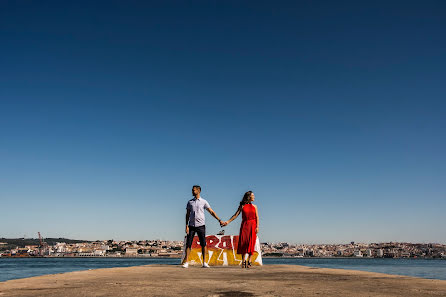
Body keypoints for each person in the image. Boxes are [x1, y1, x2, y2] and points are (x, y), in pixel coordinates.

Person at [182, 185, 224, 268]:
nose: (192, 191)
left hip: (201, 225)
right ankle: (186, 262)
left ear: (199, 191)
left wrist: (219, 220)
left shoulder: (204, 201)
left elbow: (211, 211)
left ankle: (204, 262)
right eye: (192, 190)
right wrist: (186, 225)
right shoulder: (190, 202)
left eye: (194, 190)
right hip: (191, 226)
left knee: (203, 244)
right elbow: (187, 214)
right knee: (188, 244)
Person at [222, 191, 259, 268]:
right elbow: (235, 215)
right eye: (253, 195)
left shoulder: (255, 206)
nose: (254, 197)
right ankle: (243, 261)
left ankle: (249, 261)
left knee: (251, 242)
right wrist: (228, 222)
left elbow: (257, 217)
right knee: (243, 242)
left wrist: (257, 227)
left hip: (253, 225)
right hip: (245, 225)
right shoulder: (242, 206)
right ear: (249, 197)